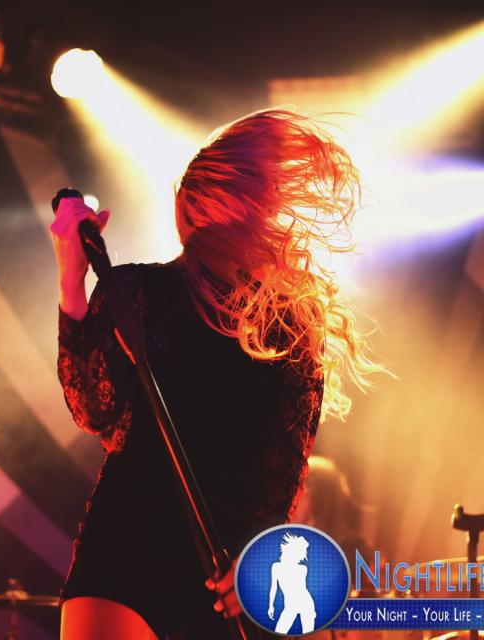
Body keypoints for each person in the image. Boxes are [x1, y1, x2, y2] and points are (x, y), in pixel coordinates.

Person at [50, 109, 383, 640]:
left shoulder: (291, 327)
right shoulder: (136, 291)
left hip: (224, 565)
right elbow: (95, 412)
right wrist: (72, 282)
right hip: (127, 541)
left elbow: (281, 475)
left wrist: (259, 553)